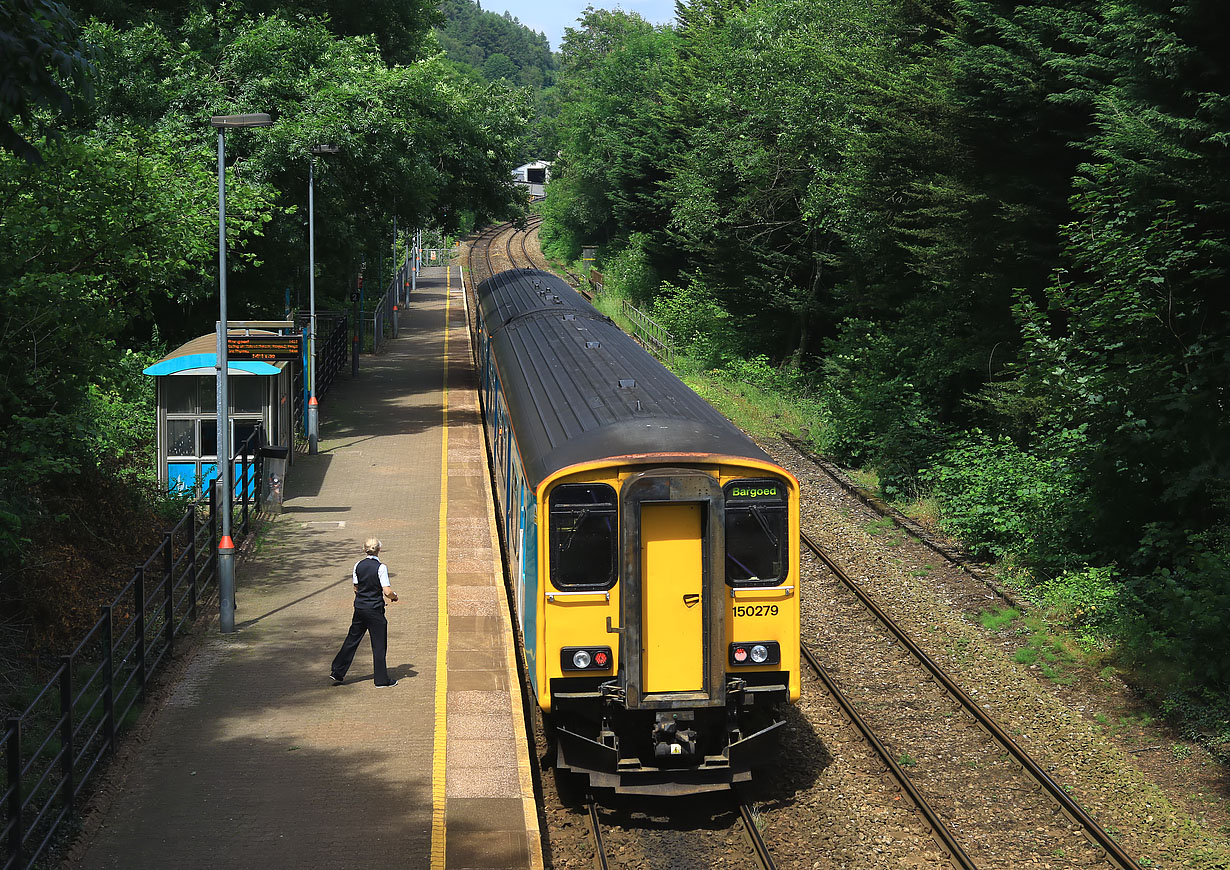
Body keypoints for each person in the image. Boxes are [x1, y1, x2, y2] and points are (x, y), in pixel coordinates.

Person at [330, 537, 399, 687]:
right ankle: (381, 680)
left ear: (364, 549)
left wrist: (362, 598)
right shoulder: (381, 568)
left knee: (352, 639)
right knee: (379, 645)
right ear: (379, 549)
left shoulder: (357, 565)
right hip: (374, 610)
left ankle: (337, 671)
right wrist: (394, 597)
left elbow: (356, 587)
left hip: (360, 608)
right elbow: (386, 591)